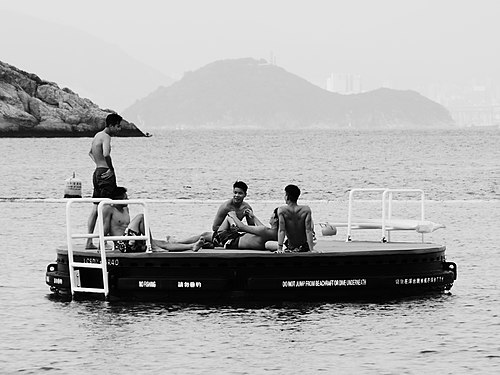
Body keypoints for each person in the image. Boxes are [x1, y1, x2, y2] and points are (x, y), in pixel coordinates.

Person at [100, 187, 204, 252]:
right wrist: (102, 246)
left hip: (132, 241)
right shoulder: (108, 209)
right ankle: (152, 245)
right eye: (125, 198)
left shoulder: (125, 208)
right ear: (118, 199)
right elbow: (105, 229)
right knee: (140, 216)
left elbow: (129, 228)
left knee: (163, 244)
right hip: (122, 245)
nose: (127, 200)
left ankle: (191, 246)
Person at [86, 113, 123, 249]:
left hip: (97, 172)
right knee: (107, 207)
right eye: (118, 126)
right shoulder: (106, 137)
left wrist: (99, 164)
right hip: (106, 174)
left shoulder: (97, 135)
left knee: (96, 208)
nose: (119, 129)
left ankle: (89, 242)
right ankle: (104, 242)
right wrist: (110, 169)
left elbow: (90, 152)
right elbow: (106, 154)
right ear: (111, 125)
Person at [211, 180, 256, 246]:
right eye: (235, 193)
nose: (236, 195)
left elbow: (252, 227)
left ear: (245, 195)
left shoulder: (247, 208)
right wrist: (230, 229)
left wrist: (241, 229)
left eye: (240, 193)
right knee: (205, 235)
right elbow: (214, 227)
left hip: (235, 234)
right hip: (221, 233)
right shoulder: (225, 207)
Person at [276, 184, 315, 253]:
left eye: (285, 195)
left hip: (290, 246)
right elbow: (308, 230)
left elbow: (282, 230)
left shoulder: (282, 210)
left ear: (287, 196)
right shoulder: (306, 210)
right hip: (303, 246)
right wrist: (311, 249)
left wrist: (279, 248)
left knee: (268, 244)